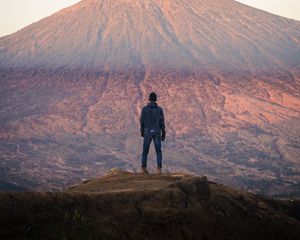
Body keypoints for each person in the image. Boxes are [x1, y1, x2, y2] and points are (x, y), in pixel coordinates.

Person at [140, 92, 166, 174]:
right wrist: (163, 132)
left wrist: (142, 131)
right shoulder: (159, 110)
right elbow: (162, 122)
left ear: (149, 99)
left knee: (145, 151)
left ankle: (143, 169)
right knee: (158, 151)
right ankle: (159, 169)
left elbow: (142, 121)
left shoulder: (144, 109)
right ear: (155, 100)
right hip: (157, 132)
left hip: (147, 132)